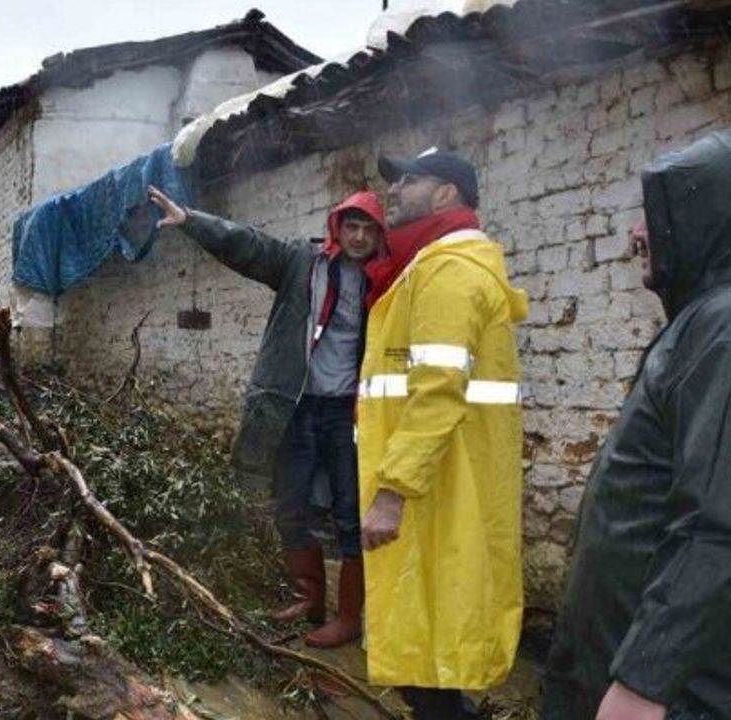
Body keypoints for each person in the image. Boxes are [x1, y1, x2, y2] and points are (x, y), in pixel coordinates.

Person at [542, 131, 731, 720]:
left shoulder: (723, 329)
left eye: (656, 213)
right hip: (619, 660)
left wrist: (642, 685)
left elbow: (716, 524)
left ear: (708, 219)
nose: (637, 233)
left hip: (662, 694)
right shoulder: (703, 322)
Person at [147, 184, 385, 647]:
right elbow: (248, 246)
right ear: (337, 226)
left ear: (380, 237)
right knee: (290, 503)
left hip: (347, 412)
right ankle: (308, 600)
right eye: (351, 226)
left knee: (351, 512)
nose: (358, 237)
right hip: (294, 405)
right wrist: (192, 221)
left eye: (368, 230)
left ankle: (350, 616)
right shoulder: (303, 262)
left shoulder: (384, 280)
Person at [359, 148, 527, 718]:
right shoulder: (426, 268)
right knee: (426, 641)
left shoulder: (448, 272)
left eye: (410, 179)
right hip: (438, 480)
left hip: (434, 485)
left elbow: (436, 391)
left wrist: (391, 490)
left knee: (430, 648)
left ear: (447, 194)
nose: (395, 190)